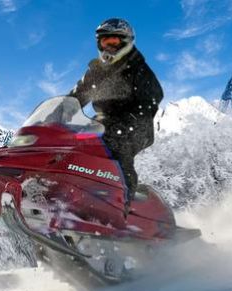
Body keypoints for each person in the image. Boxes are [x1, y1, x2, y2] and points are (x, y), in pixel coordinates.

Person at [69, 18, 163, 212]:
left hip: (137, 125)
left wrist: (133, 120)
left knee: (119, 149)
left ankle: (122, 209)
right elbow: (76, 96)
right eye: (105, 42)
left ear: (126, 42)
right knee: (73, 143)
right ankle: (72, 196)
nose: (109, 48)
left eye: (114, 42)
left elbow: (154, 97)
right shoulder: (96, 71)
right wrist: (58, 113)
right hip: (104, 122)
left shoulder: (138, 68)